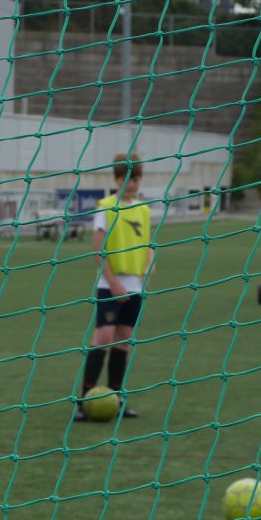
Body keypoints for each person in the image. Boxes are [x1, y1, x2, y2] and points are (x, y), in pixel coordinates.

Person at [75, 152, 154, 421]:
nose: (132, 184)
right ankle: (83, 402)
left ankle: (116, 399)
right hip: (110, 284)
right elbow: (98, 249)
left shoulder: (144, 209)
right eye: (126, 179)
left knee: (123, 341)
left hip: (135, 286)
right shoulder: (106, 206)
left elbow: (148, 244)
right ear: (117, 179)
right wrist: (114, 283)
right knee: (103, 338)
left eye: (136, 179)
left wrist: (150, 263)